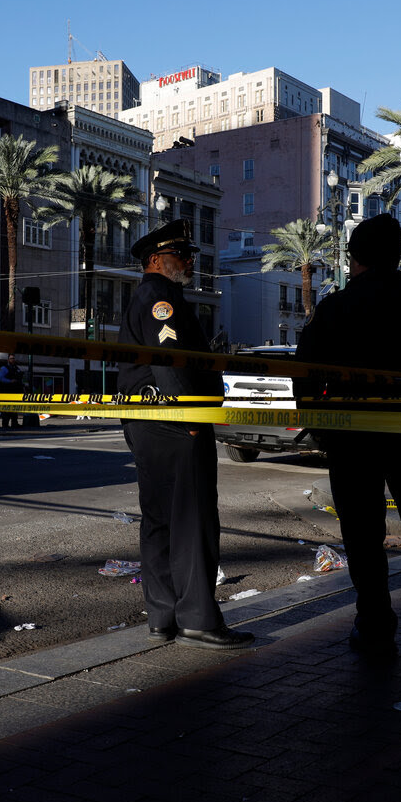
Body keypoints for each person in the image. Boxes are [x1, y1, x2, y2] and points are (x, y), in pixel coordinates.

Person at [294, 214, 401, 657]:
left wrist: (322, 428)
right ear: (398, 256)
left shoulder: (336, 307)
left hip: (352, 437)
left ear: (353, 259)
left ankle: (376, 623)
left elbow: (303, 376)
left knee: (362, 537)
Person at [117, 219, 254, 650]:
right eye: (182, 254)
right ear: (156, 260)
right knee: (192, 521)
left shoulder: (150, 295)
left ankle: (163, 616)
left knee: (159, 522)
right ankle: (196, 618)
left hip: (150, 423)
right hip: (174, 424)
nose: (190, 261)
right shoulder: (160, 298)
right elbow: (171, 360)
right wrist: (188, 417)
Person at [0, 354, 25, 429]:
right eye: (11, 358)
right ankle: (5, 424)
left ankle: (14, 423)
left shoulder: (16, 368)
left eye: (13, 358)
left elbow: (20, 378)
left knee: (14, 408)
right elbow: (1, 378)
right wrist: (10, 381)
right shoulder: (4, 368)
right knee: (6, 409)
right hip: (6, 392)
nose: (13, 360)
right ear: (8, 359)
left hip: (15, 392)